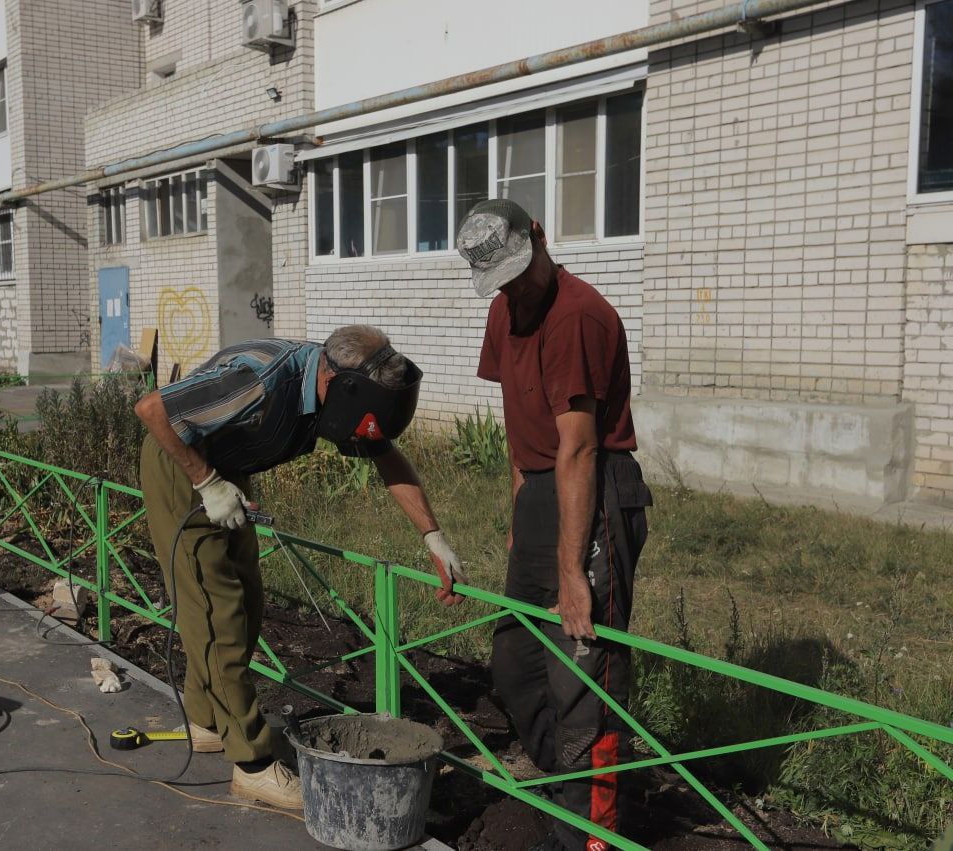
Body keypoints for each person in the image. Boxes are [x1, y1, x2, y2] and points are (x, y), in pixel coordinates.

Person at [134, 326, 466, 810]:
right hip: (182, 467)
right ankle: (250, 765)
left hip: (225, 471)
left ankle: (208, 721)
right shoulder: (261, 379)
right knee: (214, 611)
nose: (356, 434)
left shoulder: (337, 387)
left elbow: (384, 454)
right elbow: (153, 409)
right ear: (336, 384)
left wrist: (433, 538)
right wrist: (207, 483)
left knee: (247, 601)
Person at [457, 199, 652, 851]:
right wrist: (521, 517)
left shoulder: (578, 315)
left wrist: (572, 572)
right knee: (516, 659)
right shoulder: (503, 311)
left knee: (582, 671)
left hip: (595, 490)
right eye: (500, 280)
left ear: (539, 236)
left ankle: (592, 831)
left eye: (519, 269)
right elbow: (522, 427)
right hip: (544, 493)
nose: (514, 288)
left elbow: (579, 447)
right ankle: (565, 783)